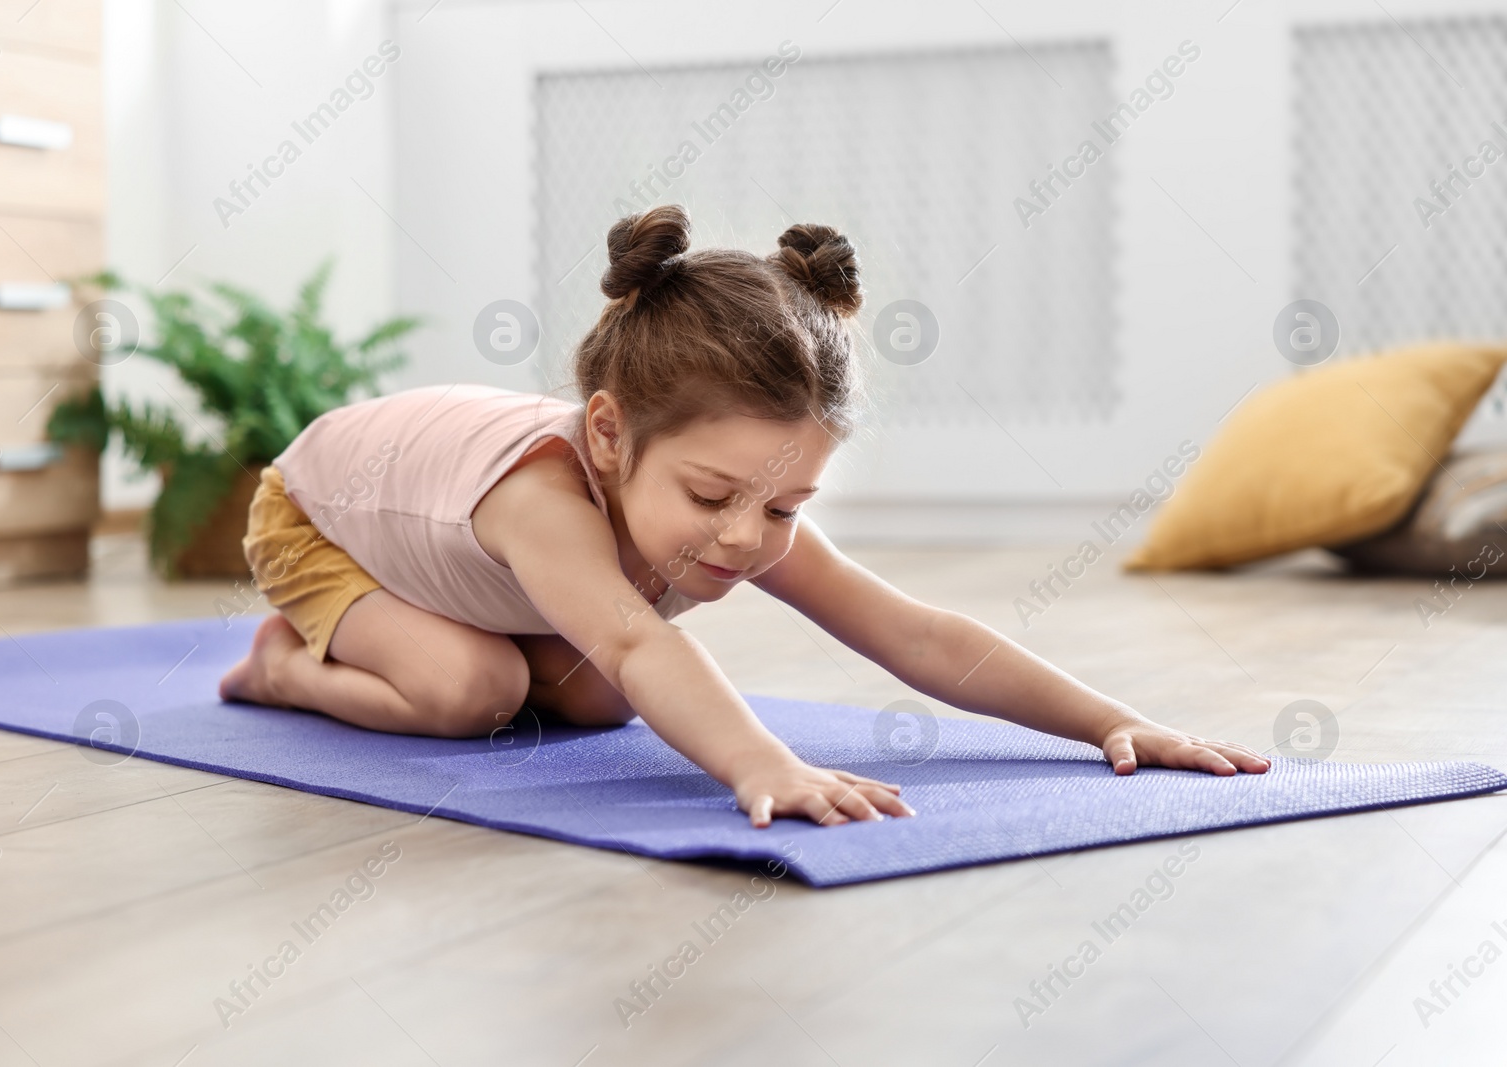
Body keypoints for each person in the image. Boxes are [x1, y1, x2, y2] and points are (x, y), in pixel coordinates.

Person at [220, 203, 1269, 829]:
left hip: (461, 560)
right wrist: (760, 760)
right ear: (607, 434)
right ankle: (282, 665)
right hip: (321, 519)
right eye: (713, 497)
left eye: (785, 505)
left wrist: (1110, 723)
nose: (742, 537)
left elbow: (910, 629)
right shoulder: (540, 498)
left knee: (599, 702)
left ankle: (471, 640)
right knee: (475, 688)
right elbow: (633, 634)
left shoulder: (731, 494)